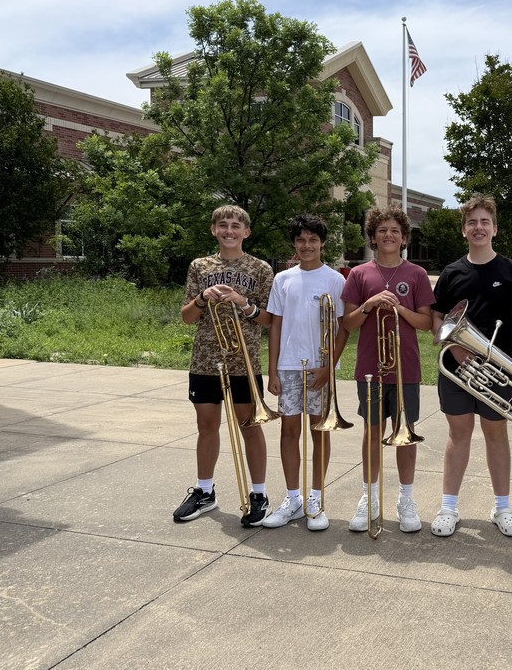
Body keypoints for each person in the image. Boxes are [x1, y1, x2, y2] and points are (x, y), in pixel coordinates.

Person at [430, 195, 512, 538]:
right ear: (464, 230)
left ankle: (502, 507)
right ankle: (449, 507)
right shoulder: (452, 272)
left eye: (485, 222)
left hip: (500, 370)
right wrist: (458, 351)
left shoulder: (511, 270)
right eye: (472, 223)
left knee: (496, 435)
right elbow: (437, 319)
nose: (478, 228)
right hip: (458, 366)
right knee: (458, 434)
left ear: (495, 228)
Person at [173, 204, 274, 527]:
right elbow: (187, 318)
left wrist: (243, 303)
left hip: (243, 361)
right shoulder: (199, 266)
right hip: (205, 360)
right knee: (206, 426)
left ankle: (258, 493)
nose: (229, 231)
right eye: (223, 226)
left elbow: (269, 319)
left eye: (236, 226)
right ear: (214, 230)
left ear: (246, 232)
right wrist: (203, 298)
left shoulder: (259, 268)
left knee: (250, 426)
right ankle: (205, 491)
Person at [341, 206, 435, 533]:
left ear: (404, 237)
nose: (388, 235)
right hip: (371, 368)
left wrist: (399, 308)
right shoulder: (359, 274)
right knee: (372, 432)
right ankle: (369, 497)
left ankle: (406, 500)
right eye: (382, 230)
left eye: (395, 230)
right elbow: (349, 324)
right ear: (373, 236)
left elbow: (426, 323)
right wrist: (368, 305)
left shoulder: (417, 275)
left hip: (405, 368)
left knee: (405, 435)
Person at [261, 213, 349, 531]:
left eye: (313, 239)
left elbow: (343, 330)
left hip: (319, 368)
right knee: (288, 432)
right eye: (301, 240)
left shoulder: (336, 280)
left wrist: (328, 367)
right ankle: (293, 498)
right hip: (287, 366)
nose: (307, 245)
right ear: (294, 244)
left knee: (319, 431)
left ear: (322, 243)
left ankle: (316, 497)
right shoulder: (283, 279)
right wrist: (272, 371)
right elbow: (275, 326)